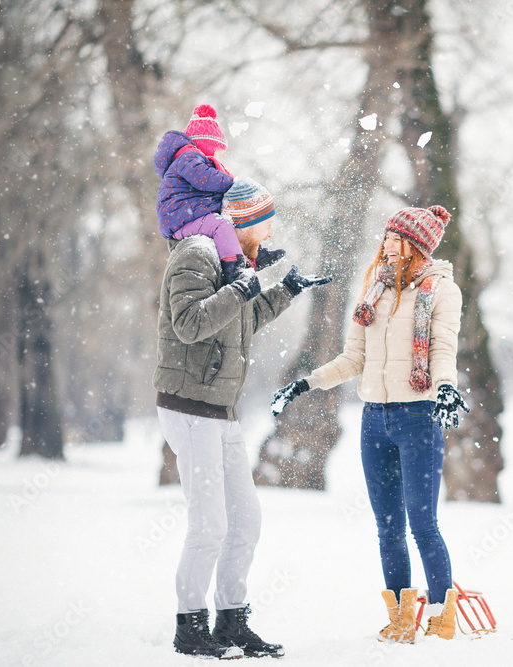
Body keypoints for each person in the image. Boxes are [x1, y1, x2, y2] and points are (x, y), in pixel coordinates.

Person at [271, 205, 470, 643]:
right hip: (374, 420)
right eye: (387, 237)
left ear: (418, 246)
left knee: (423, 525)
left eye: (398, 239)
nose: (388, 245)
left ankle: (441, 617)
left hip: (417, 418)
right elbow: (353, 359)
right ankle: (400, 619)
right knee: (388, 528)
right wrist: (307, 383)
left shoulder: (441, 290)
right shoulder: (373, 291)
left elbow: (442, 349)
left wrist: (445, 387)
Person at [153, 178, 331, 658]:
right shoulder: (196, 254)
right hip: (190, 408)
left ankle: (231, 621)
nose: (270, 232)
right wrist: (239, 287)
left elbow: (240, 323)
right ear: (245, 222)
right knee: (209, 524)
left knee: (245, 521)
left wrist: (285, 290)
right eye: (265, 221)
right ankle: (190, 627)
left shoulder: (233, 261)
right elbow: (189, 324)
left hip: (221, 411)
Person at [153, 104, 284, 285]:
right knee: (221, 225)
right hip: (179, 220)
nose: (218, 160)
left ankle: (251, 257)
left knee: (229, 221)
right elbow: (205, 178)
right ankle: (233, 268)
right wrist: (231, 182)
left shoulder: (188, 160)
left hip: (184, 216)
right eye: (218, 154)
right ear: (207, 146)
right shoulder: (189, 159)